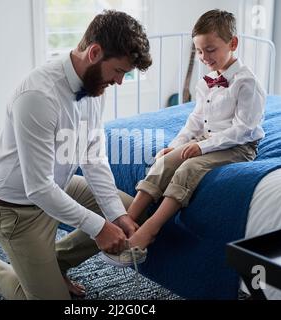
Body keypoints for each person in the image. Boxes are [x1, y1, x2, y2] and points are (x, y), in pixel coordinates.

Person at [0, 10, 152, 300]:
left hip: (57, 187)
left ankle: (52, 264)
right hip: (15, 208)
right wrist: (99, 228)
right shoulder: (38, 96)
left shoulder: (96, 86)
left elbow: (93, 157)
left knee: (129, 209)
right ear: (94, 52)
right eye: (119, 71)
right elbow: (37, 188)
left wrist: (117, 216)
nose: (120, 81)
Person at [104, 9, 265, 264]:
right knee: (165, 162)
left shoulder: (247, 83)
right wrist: (176, 145)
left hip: (238, 146)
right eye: (199, 51)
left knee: (188, 169)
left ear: (233, 43)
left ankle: (150, 229)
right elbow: (195, 120)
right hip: (206, 140)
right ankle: (129, 220)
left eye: (210, 50)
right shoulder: (207, 81)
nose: (203, 57)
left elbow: (244, 129)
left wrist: (202, 148)